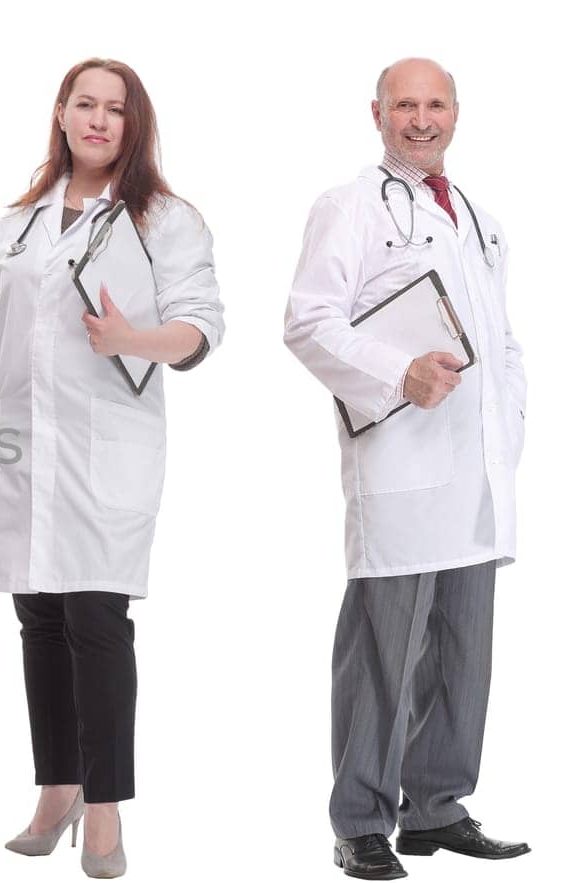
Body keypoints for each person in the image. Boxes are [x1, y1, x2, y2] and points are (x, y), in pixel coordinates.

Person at [0, 57, 225, 880]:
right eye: (86, 104)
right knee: (37, 616)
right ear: (62, 113)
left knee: (95, 620)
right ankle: (56, 787)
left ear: (133, 124)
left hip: (106, 447)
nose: (99, 120)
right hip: (21, 447)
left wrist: (132, 341)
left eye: (116, 109)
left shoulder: (163, 218)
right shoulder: (17, 222)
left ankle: (105, 808)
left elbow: (201, 325)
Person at [283, 57, 531, 881]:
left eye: (434, 104)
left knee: (465, 647)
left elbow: (500, 341)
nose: (419, 119)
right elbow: (308, 322)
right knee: (384, 648)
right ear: (377, 113)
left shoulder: (480, 219)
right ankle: (359, 819)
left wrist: (513, 425)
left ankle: (436, 807)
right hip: (401, 460)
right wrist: (399, 374)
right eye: (404, 105)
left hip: (478, 468)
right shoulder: (350, 207)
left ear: (456, 112)